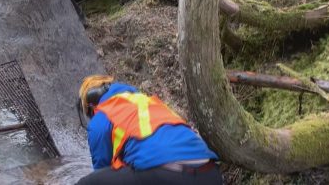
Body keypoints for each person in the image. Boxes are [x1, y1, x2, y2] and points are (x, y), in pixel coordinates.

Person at [77, 75, 222, 184]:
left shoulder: (102, 115)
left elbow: (102, 169)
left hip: (170, 175)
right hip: (211, 174)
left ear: (91, 103)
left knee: (90, 182)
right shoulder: (145, 102)